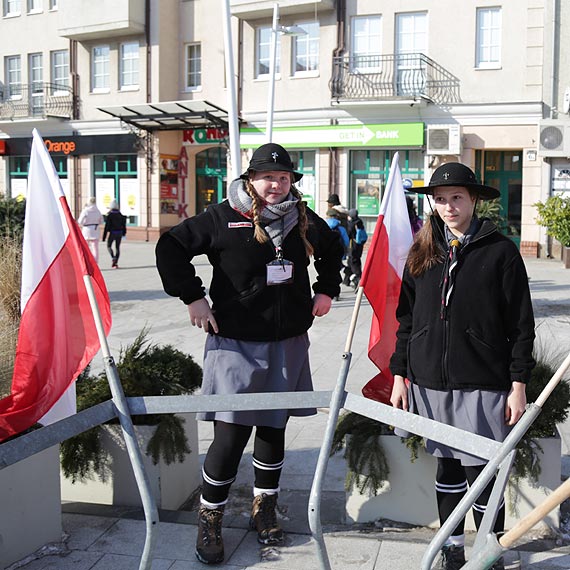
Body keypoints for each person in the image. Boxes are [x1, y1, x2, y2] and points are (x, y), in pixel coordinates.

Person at [155, 142, 343, 565]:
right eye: (265, 177)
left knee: (274, 430)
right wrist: (193, 297)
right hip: (236, 343)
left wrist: (326, 288)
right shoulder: (223, 215)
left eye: (282, 177)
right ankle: (211, 518)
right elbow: (170, 247)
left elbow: (332, 248)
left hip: (288, 341)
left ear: (292, 180)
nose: (274, 185)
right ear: (250, 180)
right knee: (230, 435)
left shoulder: (301, 218)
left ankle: (265, 510)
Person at [389, 163, 535, 570]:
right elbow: (406, 318)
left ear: (473, 200)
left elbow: (521, 325)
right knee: (448, 464)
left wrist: (518, 383)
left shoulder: (500, 251)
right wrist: (399, 374)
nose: (449, 206)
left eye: (457, 197)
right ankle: (451, 548)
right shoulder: (421, 252)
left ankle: (489, 552)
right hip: (429, 379)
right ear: (432, 205)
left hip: (482, 380)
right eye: (440, 199)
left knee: (483, 472)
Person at [342, 208, 366, 290]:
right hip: (359, 245)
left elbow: (348, 234)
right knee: (352, 261)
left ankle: (359, 279)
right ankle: (346, 280)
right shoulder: (359, 221)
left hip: (353, 244)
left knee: (353, 261)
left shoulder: (352, 223)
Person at [102, 200, 127, 269]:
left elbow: (107, 227)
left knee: (109, 246)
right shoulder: (121, 215)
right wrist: (124, 233)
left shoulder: (110, 215)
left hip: (112, 233)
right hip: (119, 233)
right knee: (117, 247)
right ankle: (115, 262)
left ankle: (113, 257)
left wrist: (104, 237)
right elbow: (124, 225)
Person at [77, 197, 103, 263]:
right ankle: (95, 262)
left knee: (86, 247)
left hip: (86, 229)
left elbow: (80, 221)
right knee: (95, 248)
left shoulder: (85, 211)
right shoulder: (98, 211)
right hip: (95, 229)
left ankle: (86, 261)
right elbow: (101, 221)